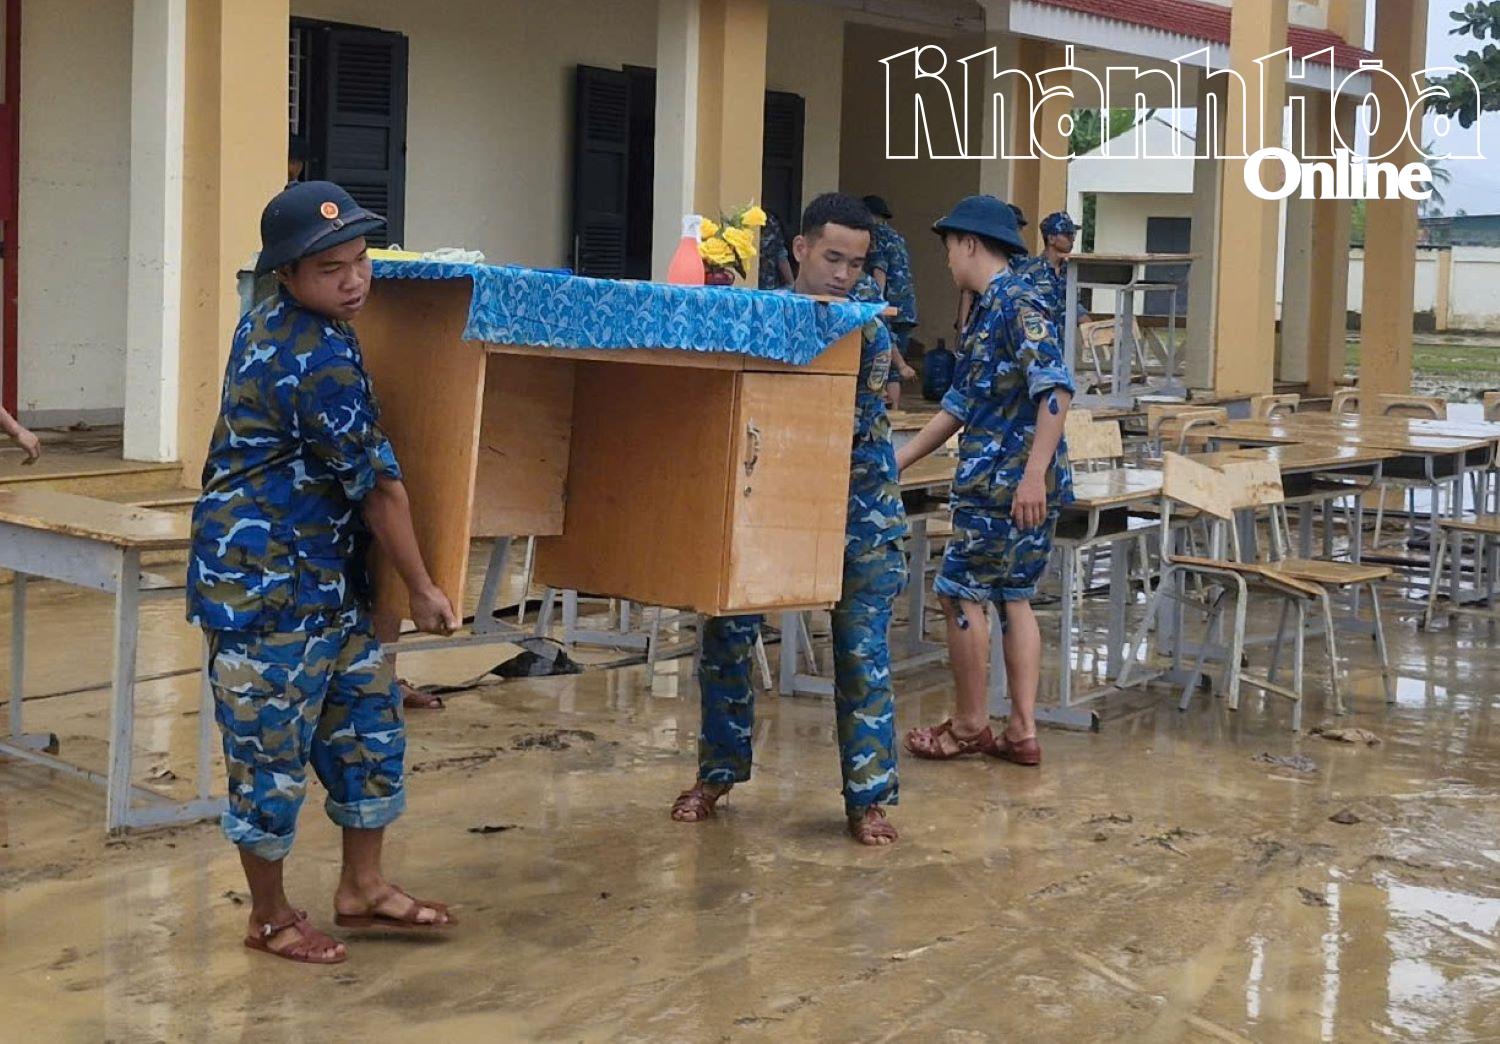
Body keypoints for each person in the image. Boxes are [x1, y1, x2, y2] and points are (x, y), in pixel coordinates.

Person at [188, 181, 458, 965]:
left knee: (368, 736)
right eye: (331, 268)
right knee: (268, 762)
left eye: (361, 259)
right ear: (288, 276)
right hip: (266, 591)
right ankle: (269, 918)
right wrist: (425, 589)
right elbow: (380, 490)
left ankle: (364, 889)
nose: (355, 280)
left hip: (329, 584)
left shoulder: (310, 324)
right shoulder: (310, 356)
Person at [670, 192, 908, 846]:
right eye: (832, 257)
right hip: (763, 499)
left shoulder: (868, 331)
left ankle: (868, 799)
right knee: (725, 634)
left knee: (861, 653)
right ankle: (716, 773)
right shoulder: (753, 320)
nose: (844, 274)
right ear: (799, 250)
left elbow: (848, 428)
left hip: (854, 505)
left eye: (856, 264)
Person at [896, 195, 1075, 766]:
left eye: (949, 247)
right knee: (1014, 596)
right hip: (1011, 481)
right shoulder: (991, 306)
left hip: (1004, 485)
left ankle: (971, 723)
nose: (947, 260)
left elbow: (1056, 391)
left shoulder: (1014, 304)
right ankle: (1022, 730)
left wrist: (1031, 477)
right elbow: (961, 402)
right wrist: (899, 462)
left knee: (959, 593)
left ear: (969, 243)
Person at [861, 195, 920, 408]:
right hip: (906, 308)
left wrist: (876, 301)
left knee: (883, 363)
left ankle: (886, 415)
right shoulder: (896, 237)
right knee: (894, 371)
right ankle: (894, 412)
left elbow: (880, 270)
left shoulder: (875, 236)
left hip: (889, 307)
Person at [1011, 211, 1088, 333]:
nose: (1072, 240)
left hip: (1063, 346)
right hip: (1037, 345)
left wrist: (1091, 327)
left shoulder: (1069, 271)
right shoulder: (1029, 272)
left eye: (1073, 235)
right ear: (1051, 238)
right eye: (1067, 235)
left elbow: (1074, 306)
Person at [758, 210, 795, 290]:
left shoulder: (770, 221)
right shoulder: (768, 219)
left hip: (768, 287)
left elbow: (780, 253)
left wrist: (791, 284)